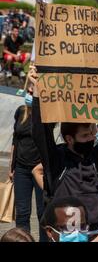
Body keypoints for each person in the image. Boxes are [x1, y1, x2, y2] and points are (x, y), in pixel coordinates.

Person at [28, 66, 98, 231]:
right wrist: (37, 93)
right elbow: (40, 132)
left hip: (95, 231)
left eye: (92, 132)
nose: (91, 138)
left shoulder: (96, 155)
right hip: (67, 233)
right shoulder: (57, 159)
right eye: (85, 136)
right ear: (69, 139)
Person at [9, 86, 45, 241]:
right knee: (22, 211)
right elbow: (15, 140)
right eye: (29, 92)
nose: (29, 95)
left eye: (33, 92)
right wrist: (12, 167)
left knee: (42, 212)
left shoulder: (44, 114)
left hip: (40, 169)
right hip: (21, 169)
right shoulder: (21, 111)